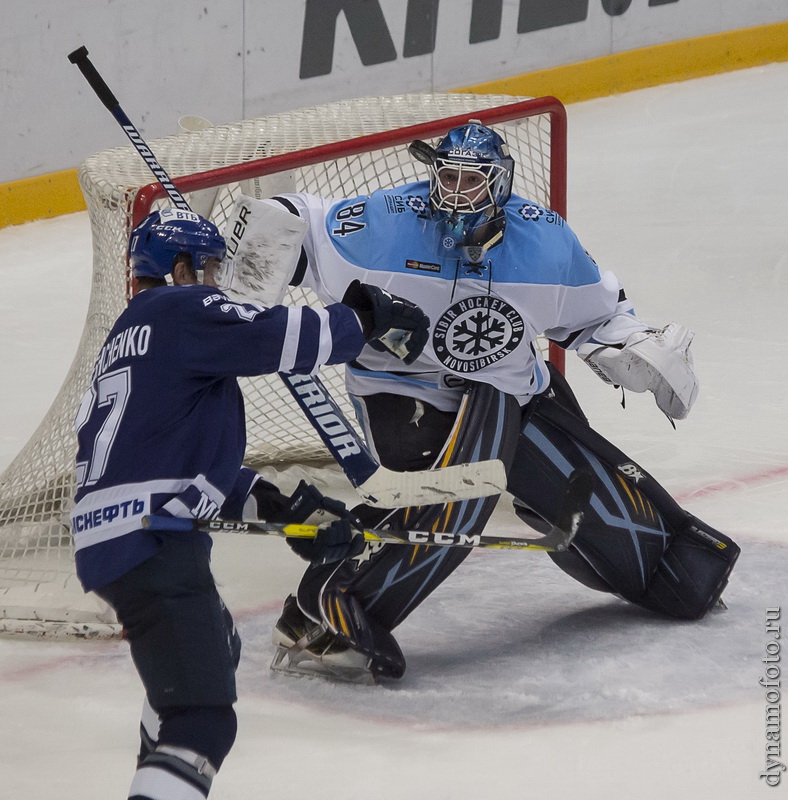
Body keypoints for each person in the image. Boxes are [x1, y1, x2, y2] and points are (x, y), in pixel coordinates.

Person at [258, 121, 740, 684]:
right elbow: (299, 222)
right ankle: (329, 607)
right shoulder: (384, 223)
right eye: (448, 177)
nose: (456, 192)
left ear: (501, 184)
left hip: (508, 389)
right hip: (402, 396)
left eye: (472, 181)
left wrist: (631, 347)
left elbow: (599, 317)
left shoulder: (544, 242)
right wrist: (267, 239)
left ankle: (659, 562)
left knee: (622, 534)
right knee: (463, 495)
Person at [70, 206, 429, 799]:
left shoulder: (130, 341)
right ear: (179, 269)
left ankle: (156, 776)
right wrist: (363, 318)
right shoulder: (180, 310)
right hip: (154, 542)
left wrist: (291, 510)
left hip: (119, 538)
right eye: (209, 268)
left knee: (217, 647)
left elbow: (187, 465)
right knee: (202, 722)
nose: (216, 281)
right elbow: (276, 336)